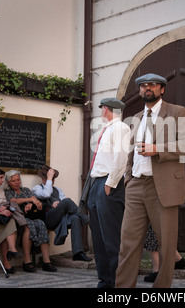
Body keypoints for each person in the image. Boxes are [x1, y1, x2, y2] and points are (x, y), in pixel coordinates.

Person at [115, 73, 185, 288]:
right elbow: (131, 153)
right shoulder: (136, 118)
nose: (147, 88)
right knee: (128, 244)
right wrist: (128, 179)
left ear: (162, 89)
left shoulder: (177, 112)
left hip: (164, 187)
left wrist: (157, 149)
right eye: (142, 85)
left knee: (167, 247)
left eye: (152, 84)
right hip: (136, 186)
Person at [85, 97, 130, 288]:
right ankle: (105, 280)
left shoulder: (120, 128)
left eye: (102, 107)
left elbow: (121, 158)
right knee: (98, 236)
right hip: (97, 183)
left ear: (107, 109)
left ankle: (117, 280)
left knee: (111, 236)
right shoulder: (108, 129)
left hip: (109, 183)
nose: (101, 110)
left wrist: (110, 183)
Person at [32, 165, 91, 262]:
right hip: (46, 219)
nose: (52, 181)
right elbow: (46, 194)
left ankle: (78, 253)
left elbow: (66, 206)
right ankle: (86, 218)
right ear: (43, 179)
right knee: (67, 201)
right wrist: (49, 179)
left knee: (75, 218)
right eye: (51, 179)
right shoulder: (36, 189)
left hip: (60, 219)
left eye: (53, 179)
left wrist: (58, 203)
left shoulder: (58, 190)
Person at [4, 170, 57, 272]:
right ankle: (27, 261)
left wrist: (32, 203)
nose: (16, 182)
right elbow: (13, 201)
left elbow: (36, 201)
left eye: (18, 179)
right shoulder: (7, 192)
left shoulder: (25, 190)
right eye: (13, 180)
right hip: (17, 219)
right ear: (8, 182)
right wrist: (29, 200)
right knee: (29, 225)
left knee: (41, 224)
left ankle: (46, 262)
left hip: (30, 216)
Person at [0, 168, 21, 274]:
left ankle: (12, 250)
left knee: (10, 220)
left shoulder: (0, 192)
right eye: (0, 178)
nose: (2, 181)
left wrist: (3, 209)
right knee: (6, 231)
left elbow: (4, 204)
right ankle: (9, 257)